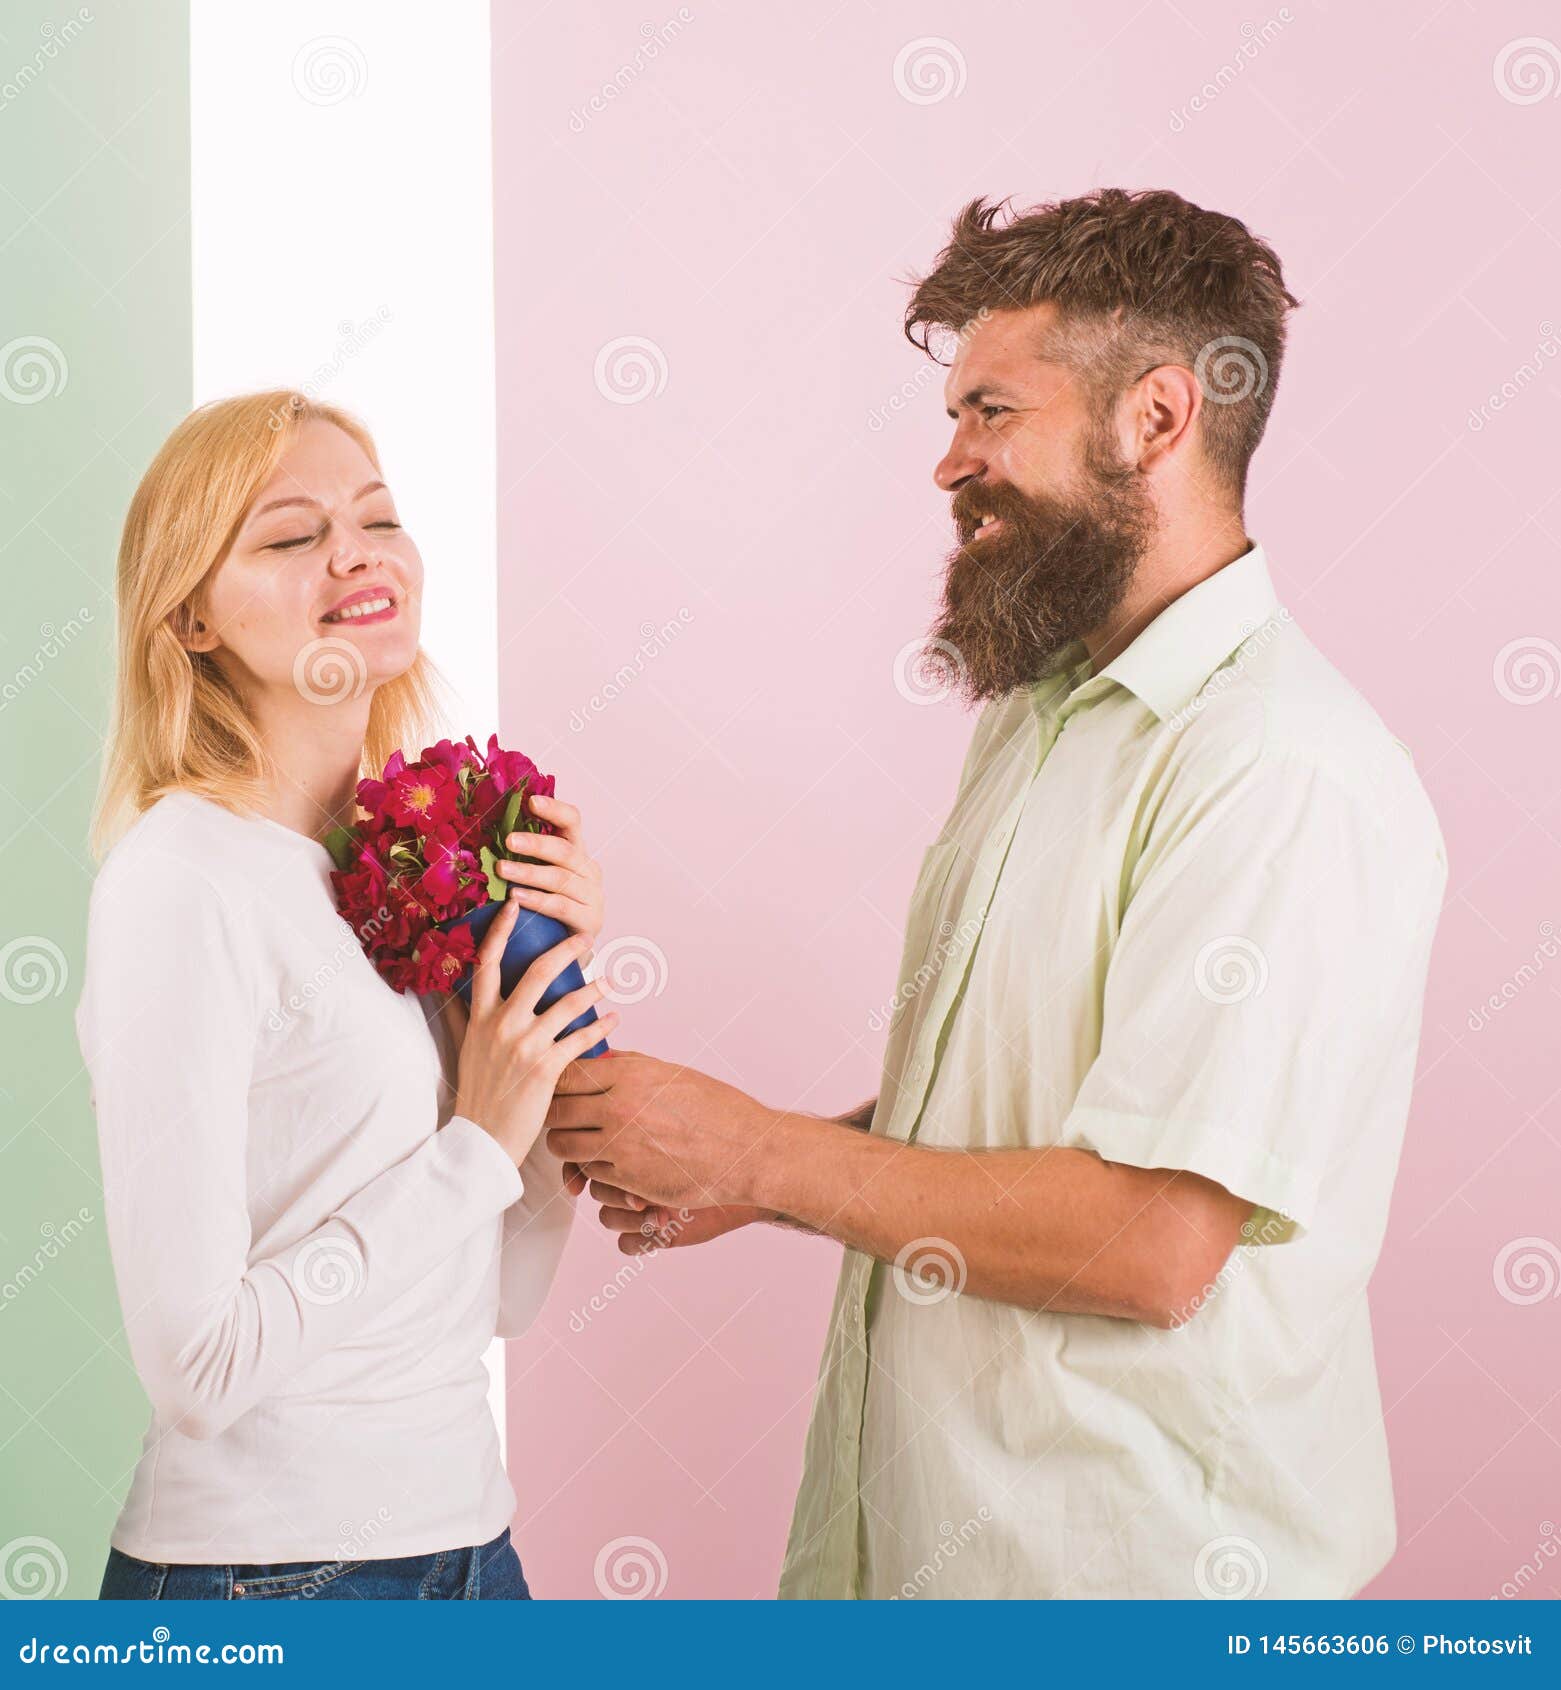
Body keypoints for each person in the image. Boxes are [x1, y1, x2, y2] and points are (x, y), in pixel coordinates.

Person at [546, 189, 1449, 1599]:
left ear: (1156, 417)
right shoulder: (1039, 716)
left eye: (989, 412)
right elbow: (1021, 1128)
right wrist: (756, 1168)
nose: (948, 463)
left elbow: (1153, 1238)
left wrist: (761, 1157)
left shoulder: (1277, 769)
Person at [77, 391, 616, 1600]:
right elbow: (196, 1368)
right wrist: (475, 1142)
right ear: (190, 619)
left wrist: (539, 1019)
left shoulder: (399, 867)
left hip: (472, 1552)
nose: (355, 551)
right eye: (288, 535)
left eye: (377, 518)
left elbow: (499, 1297)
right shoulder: (181, 883)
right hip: (270, 1582)